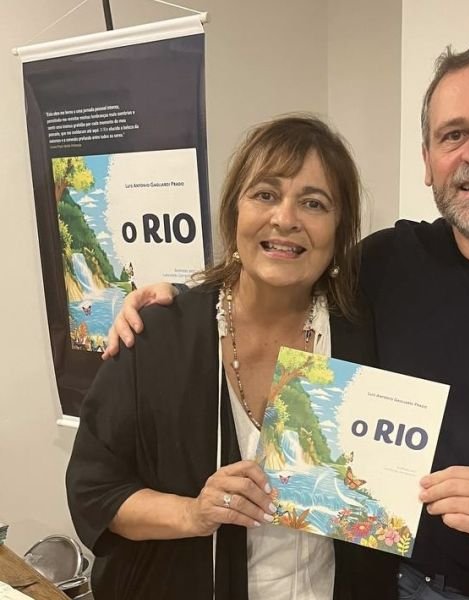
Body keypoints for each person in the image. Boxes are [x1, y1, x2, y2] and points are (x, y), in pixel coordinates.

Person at [104, 42, 469, 600]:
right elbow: (285, 264)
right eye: (453, 134)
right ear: (428, 160)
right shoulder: (387, 264)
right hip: (402, 585)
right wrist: (180, 300)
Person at [66, 116, 398, 600]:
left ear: (339, 228)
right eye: (265, 194)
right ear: (233, 211)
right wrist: (192, 513)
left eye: (314, 203)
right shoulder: (159, 336)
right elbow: (94, 492)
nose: (285, 218)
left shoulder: (364, 336)